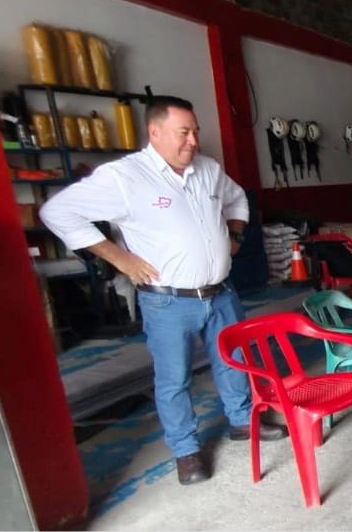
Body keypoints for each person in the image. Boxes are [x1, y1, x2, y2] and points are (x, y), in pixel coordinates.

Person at [39, 95, 286, 486]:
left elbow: (237, 198)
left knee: (234, 361)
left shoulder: (208, 169)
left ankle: (243, 421)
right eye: (183, 132)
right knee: (174, 378)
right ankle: (186, 451)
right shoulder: (125, 177)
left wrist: (236, 236)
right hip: (168, 301)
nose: (193, 141)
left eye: (196, 132)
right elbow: (57, 212)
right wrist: (119, 258)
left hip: (220, 292)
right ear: (154, 132)